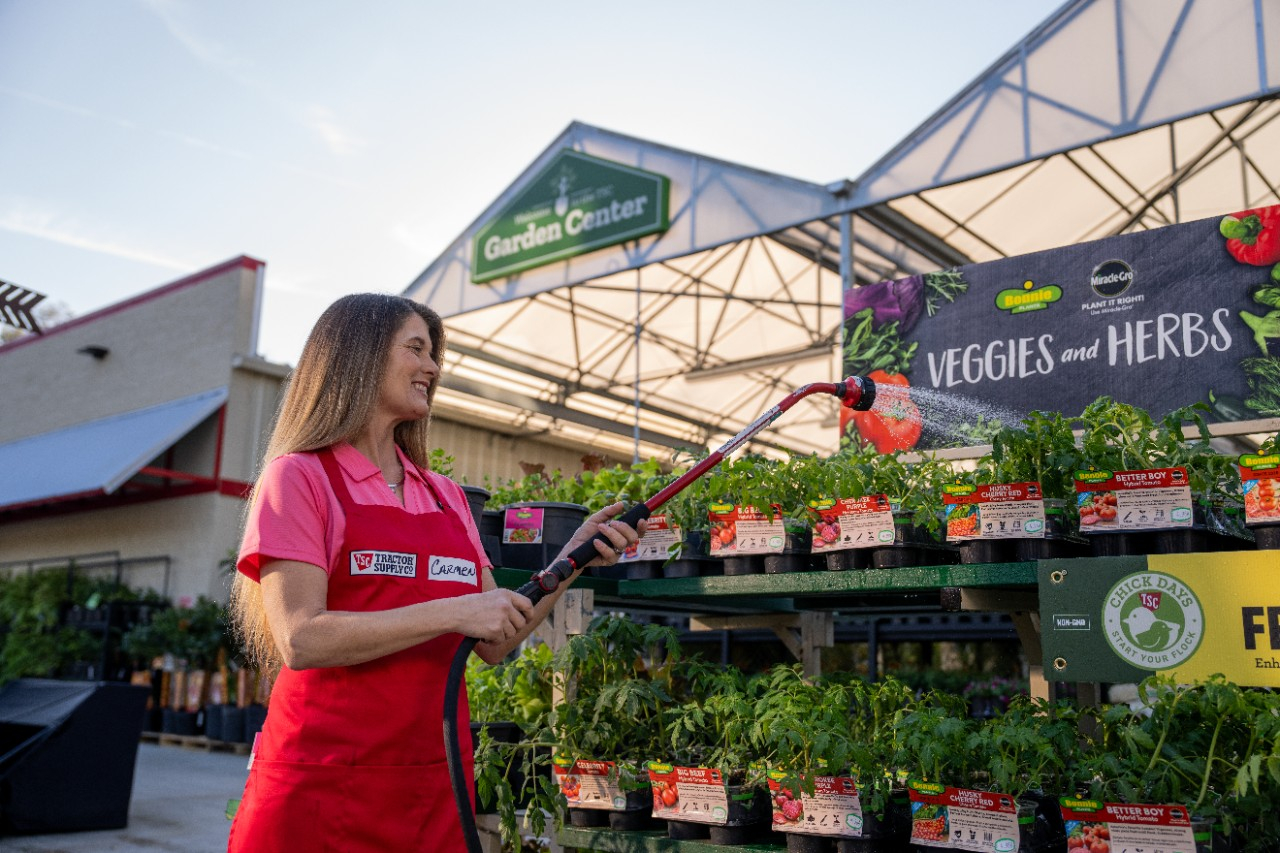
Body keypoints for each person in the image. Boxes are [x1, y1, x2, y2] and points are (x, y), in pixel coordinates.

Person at [226, 293, 644, 852]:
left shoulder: (444, 496)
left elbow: (495, 640)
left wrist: (572, 556)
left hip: (431, 783)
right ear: (359, 356)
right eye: (416, 349)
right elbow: (300, 637)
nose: (432, 367)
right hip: (321, 783)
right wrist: (455, 609)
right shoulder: (300, 478)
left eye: (433, 353)